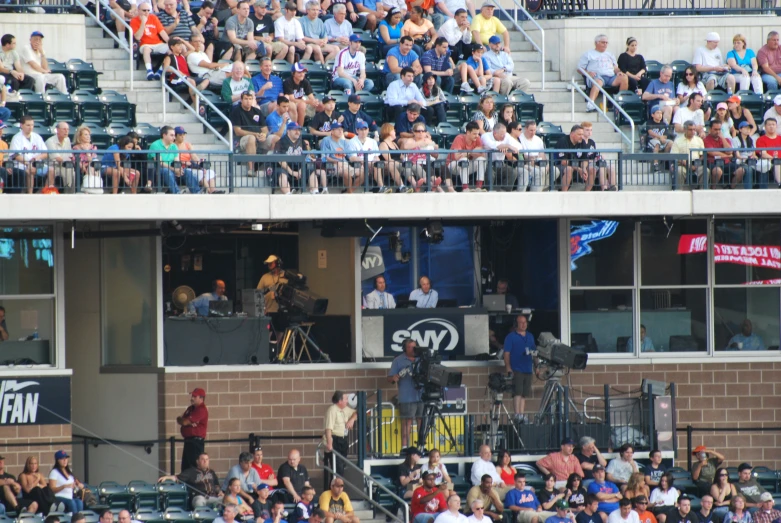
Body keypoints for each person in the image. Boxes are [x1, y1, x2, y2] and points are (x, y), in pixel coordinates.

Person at [577, 34, 628, 113]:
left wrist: (619, 72)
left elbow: (615, 67)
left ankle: (619, 103)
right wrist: (588, 73)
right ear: (596, 43)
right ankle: (590, 104)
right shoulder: (588, 54)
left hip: (611, 76)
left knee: (624, 78)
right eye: (603, 42)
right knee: (598, 82)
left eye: (606, 43)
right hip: (597, 76)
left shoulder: (610, 54)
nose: (605, 44)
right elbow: (579, 69)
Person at [388, 338, 420, 448]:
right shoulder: (398, 360)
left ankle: (421, 446)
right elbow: (389, 378)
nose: (412, 349)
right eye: (409, 347)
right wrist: (394, 377)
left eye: (413, 347)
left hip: (421, 396)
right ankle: (405, 447)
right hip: (407, 397)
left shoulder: (422, 359)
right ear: (404, 348)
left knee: (422, 421)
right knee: (407, 422)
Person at [158, 452, 223, 507]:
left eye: (207, 459)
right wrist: (167, 477)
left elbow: (216, 485)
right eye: (202, 459)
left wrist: (220, 492)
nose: (205, 461)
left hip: (213, 497)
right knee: (199, 502)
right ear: (197, 461)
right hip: (200, 497)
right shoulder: (191, 471)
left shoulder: (212, 472)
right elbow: (177, 477)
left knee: (226, 500)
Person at [503, 315, 534, 422]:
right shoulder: (510, 337)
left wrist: (537, 366)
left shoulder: (530, 336)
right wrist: (508, 367)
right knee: (517, 392)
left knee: (524, 393)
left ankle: (522, 414)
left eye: (525, 322)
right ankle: (517, 414)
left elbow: (535, 352)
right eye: (521, 322)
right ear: (516, 324)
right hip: (517, 368)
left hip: (528, 368)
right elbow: (506, 354)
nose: (523, 324)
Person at [323, 390, 357, 489]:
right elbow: (328, 428)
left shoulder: (346, 409)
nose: (347, 401)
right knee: (337, 468)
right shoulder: (332, 410)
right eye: (345, 399)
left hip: (343, 439)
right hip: (335, 439)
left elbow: (356, 412)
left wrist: (352, 420)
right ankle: (334, 490)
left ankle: (337, 489)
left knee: (342, 465)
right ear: (339, 401)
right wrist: (330, 443)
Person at [230, 90, 268, 176]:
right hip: (242, 140)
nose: (248, 101)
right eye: (246, 99)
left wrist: (264, 135)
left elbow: (265, 128)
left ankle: (270, 168)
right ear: (241, 100)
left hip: (259, 137)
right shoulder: (236, 111)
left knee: (274, 139)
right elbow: (238, 131)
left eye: (250, 99)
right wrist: (255, 134)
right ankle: (251, 169)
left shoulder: (257, 111)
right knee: (251, 138)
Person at [10, 115, 49, 194]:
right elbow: (16, 156)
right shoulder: (16, 138)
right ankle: (30, 194)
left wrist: (37, 157)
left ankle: (45, 192)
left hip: (37, 163)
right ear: (21, 125)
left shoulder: (37, 137)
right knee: (30, 170)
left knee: (51, 170)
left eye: (32, 125)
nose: (30, 127)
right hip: (22, 165)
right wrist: (28, 163)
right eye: (28, 125)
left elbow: (45, 153)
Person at [131, 5, 171, 80]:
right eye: (144, 10)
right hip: (144, 44)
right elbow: (137, 37)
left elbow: (162, 32)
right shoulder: (134, 20)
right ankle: (149, 70)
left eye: (148, 10)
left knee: (171, 49)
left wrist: (171, 43)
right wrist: (143, 23)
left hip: (157, 43)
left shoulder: (153, 18)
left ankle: (160, 70)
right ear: (138, 10)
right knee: (146, 49)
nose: (146, 12)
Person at [447, 121, 487, 192]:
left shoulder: (477, 138)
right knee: (464, 160)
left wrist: (468, 152)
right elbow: (457, 157)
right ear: (468, 132)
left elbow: (482, 155)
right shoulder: (459, 138)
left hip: (468, 164)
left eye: (478, 133)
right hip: (453, 165)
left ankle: (479, 187)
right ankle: (465, 188)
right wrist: (472, 152)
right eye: (474, 134)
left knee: (481, 160)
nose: (477, 136)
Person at [175, 388, 209, 472]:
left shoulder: (201, 409)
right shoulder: (190, 408)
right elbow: (180, 420)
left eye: (194, 396)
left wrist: (186, 422)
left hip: (196, 442)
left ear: (201, 398)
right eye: (192, 396)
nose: (192, 398)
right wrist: (188, 422)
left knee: (194, 468)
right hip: (188, 441)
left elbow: (185, 422)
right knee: (185, 467)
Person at [704, 120, 745, 189]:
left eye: (719, 129)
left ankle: (731, 187)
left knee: (741, 170)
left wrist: (722, 138)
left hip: (726, 163)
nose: (717, 131)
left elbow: (729, 151)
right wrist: (727, 156)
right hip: (713, 162)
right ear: (710, 129)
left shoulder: (725, 139)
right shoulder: (706, 139)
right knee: (718, 171)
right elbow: (712, 152)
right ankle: (713, 188)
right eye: (715, 129)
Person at [670, 120, 705, 188]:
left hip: (696, 164)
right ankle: (679, 191)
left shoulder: (699, 140)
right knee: (679, 171)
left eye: (694, 129)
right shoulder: (677, 141)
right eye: (690, 129)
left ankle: (702, 192)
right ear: (684, 129)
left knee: (706, 171)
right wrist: (688, 165)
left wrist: (696, 165)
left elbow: (702, 155)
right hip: (682, 164)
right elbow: (674, 156)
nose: (693, 132)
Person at [554, 124, 588, 192]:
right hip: (559, 166)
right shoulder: (563, 141)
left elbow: (585, 159)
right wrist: (578, 169)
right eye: (579, 134)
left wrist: (583, 169)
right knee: (569, 169)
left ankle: (587, 193)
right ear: (572, 134)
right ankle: (564, 193)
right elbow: (563, 162)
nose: (582, 137)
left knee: (591, 168)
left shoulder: (582, 142)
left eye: (582, 134)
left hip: (577, 167)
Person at [284, 63, 319, 127]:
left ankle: (316, 128)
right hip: (292, 104)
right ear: (293, 73)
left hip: (302, 101)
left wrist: (315, 102)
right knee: (302, 105)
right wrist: (308, 102)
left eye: (303, 72)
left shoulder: (305, 82)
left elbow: (311, 96)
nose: (302, 74)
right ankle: (300, 128)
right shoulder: (288, 81)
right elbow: (292, 99)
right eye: (299, 72)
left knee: (321, 105)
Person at [44, 122, 75, 194]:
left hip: (62, 165)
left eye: (67, 129)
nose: (66, 131)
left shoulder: (67, 139)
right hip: (51, 165)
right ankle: (47, 193)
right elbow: (57, 158)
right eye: (64, 129)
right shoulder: (50, 141)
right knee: (56, 171)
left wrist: (67, 159)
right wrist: (66, 159)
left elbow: (69, 156)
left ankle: (70, 194)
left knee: (72, 172)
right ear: (57, 130)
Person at [756, 118, 781, 187]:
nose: (771, 126)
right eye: (769, 125)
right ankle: (779, 183)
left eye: (773, 124)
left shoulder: (780, 138)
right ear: (765, 126)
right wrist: (774, 159)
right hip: (768, 161)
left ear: (776, 126)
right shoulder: (761, 139)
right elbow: (763, 154)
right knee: (777, 162)